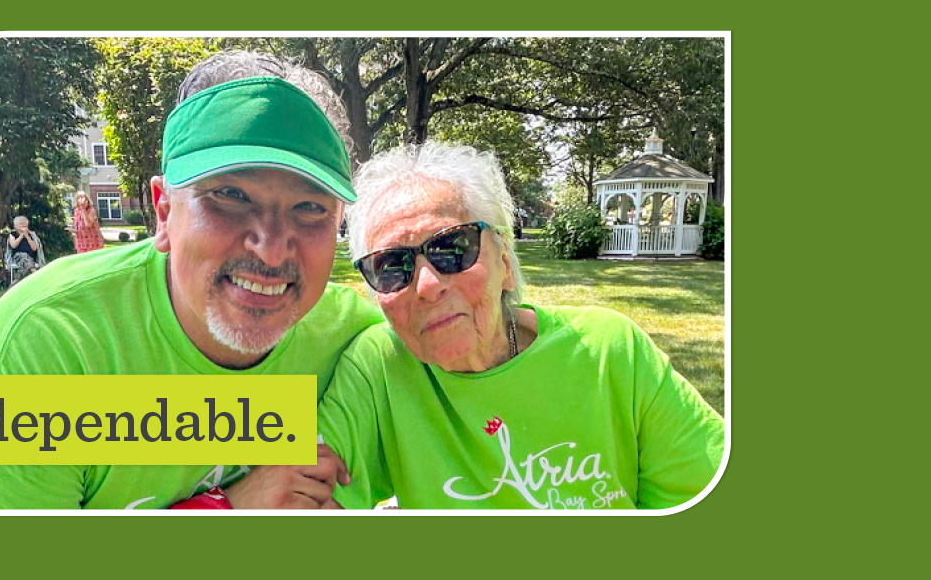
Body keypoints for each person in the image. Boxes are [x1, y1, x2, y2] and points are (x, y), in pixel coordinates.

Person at [0, 51, 383, 510]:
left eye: (310, 208)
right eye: (230, 196)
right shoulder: (46, 346)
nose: (270, 248)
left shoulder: (357, 341)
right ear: (164, 211)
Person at [306, 142, 725, 510]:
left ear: (504, 263)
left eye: (452, 249)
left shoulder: (609, 351)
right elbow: (281, 461)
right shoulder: (377, 366)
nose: (429, 285)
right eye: (392, 266)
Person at [6, 216, 46, 285]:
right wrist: (21, 236)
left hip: (31, 257)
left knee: (26, 258)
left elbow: (34, 248)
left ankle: (17, 280)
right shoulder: (13, 234)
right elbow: (13, 245)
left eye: (24, 224)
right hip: (17, 257)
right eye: (20, 224)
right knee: (23, 255)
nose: (22, 226)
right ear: (15, 226)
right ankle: (33, 271)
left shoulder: (31, 235)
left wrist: (27, 236)